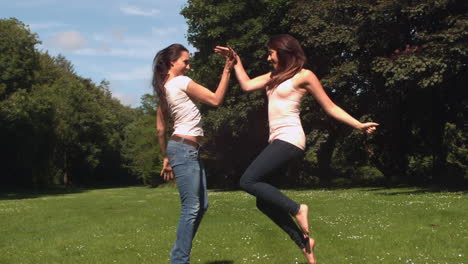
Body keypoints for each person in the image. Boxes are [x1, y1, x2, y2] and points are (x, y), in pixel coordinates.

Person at [215, 34, 378, 264]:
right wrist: (235, 59)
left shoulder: (304, 75)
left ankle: (298, 209)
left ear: (283, 51)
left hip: (291, 138)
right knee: (263, 201)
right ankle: (304, 244)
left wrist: (358, 125)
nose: (268, 57)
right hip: (278, 140)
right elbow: (247, 84)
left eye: (271, 52)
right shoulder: (274, 76)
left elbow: (330, 106)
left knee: (248, 181)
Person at [154, 43, 235, 264]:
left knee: (201, 205)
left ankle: (179, 256)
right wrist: (228, 69)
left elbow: (161, 129)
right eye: (185, 62)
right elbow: (216, 99)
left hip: (182, 149)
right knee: (191, 207)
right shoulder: (180, 82)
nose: (189, 66)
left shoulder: (163, 87)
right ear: (173, 62)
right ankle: (179, 261)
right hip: (184, 149)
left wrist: (166, 157)